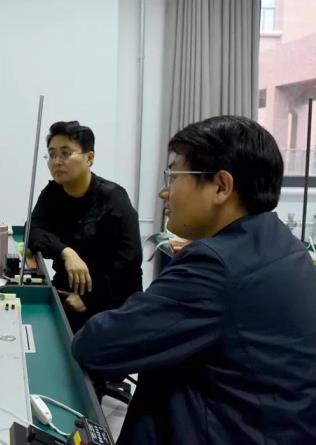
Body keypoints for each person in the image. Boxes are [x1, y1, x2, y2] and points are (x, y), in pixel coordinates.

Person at [72, 116, 316, 444]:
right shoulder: (285, 246)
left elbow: (95, 346)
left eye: (174, 176)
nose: (164, 192)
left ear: (221, 187)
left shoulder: (215, 266)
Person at [29, 121, 142, 334]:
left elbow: (129, 261)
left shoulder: (113, 198)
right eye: (52, 155)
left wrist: (90, 298)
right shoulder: (52, 193)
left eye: (65, 153)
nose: (56, 161)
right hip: (67, 293)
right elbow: (32, 231)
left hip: (111, 303)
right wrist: (66, 252)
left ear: (89, 158)